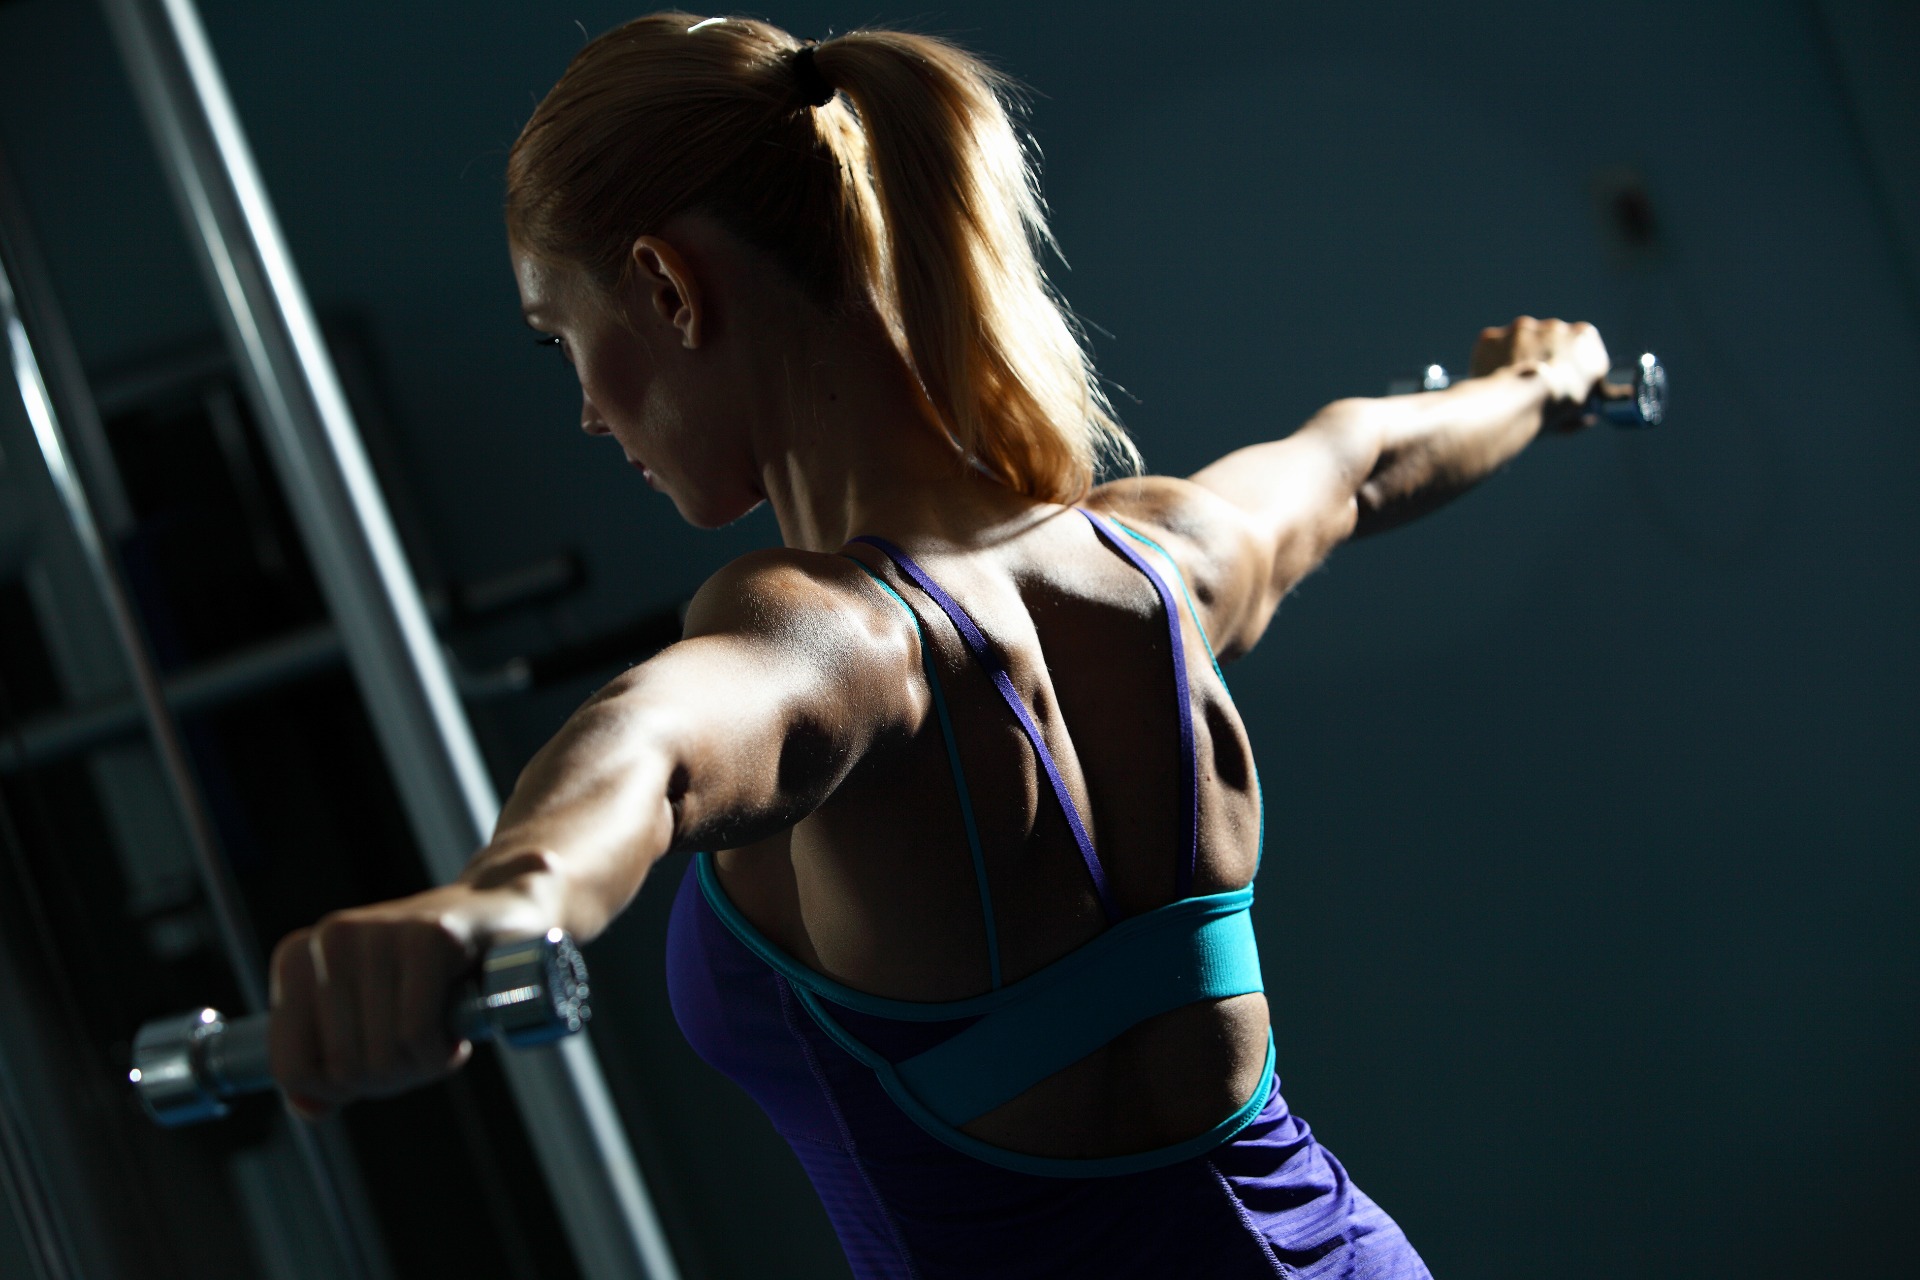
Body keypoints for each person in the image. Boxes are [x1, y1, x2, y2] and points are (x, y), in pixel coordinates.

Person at [267, 13, 1612, 1278]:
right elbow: (1361, 461)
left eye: (562, 335)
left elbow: (660, 744)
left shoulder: (840, 638)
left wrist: (510, 896)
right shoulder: (1165, 557)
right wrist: (1537, 385)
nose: (584, 410)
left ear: (666, 287)